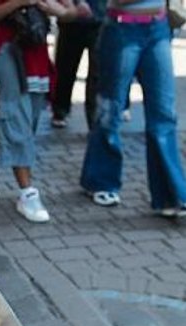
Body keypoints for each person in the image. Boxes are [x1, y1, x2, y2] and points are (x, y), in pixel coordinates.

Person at [0, 0, 80, 223]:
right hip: (5, 51)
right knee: (15, 117)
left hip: (35, 52)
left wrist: (59, 11)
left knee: (21, 121)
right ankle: (27, 193)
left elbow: (72, 12)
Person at [79, 0, 186, 215]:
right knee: (111, 109)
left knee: (164, 113)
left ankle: (170, 194)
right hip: (122, 28)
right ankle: (101, 180)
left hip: (158, 26)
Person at [51, 0, 100, 129]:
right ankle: (60, 109)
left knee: (97, 73)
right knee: (66, 68)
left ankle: (93, 117)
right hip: (72, 18)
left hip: (100, 18)